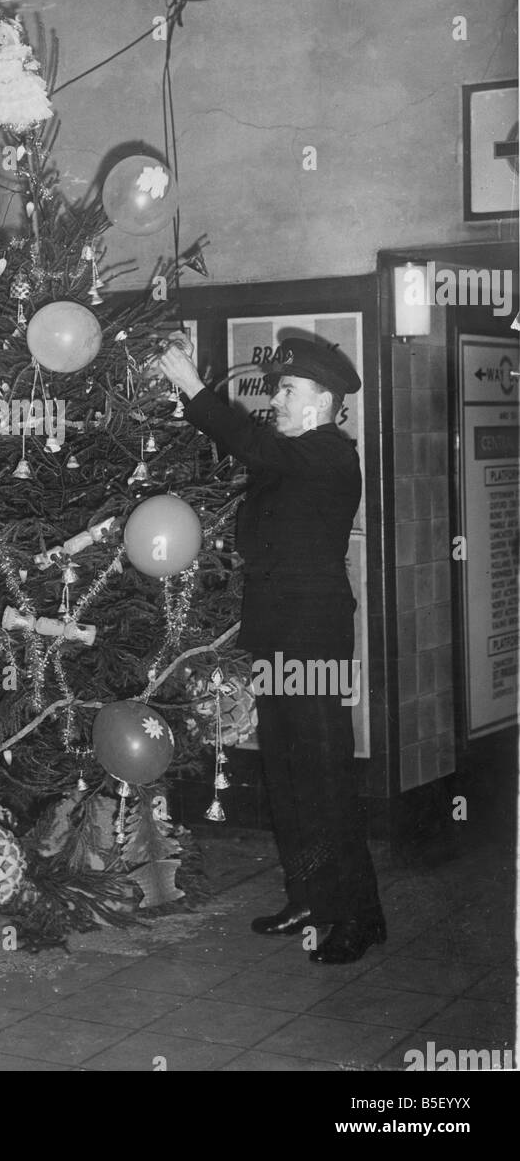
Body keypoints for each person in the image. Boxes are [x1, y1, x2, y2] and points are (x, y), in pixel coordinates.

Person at [158, 333, 385, 965]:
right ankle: (310, 895)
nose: (276, 399)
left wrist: (195, 390)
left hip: (312, 638)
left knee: (324, 771)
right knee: (286, 769)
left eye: (288, 389)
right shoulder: (292, 455)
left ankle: (358, 916)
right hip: (279, 635)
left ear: (324, 400)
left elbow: (250, 441)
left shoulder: (331, 455)